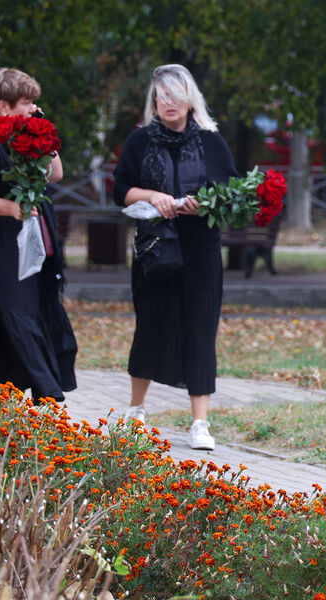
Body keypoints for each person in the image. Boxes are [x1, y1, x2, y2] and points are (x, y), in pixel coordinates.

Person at [113, 64, 238, 451]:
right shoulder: (140, 141)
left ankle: (199, 424)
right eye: (162, 96)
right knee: (150, 325)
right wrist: (153, 196)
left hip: (200, 248)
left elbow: (231, 193)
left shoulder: (211, 142)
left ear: (189, 99)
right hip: (155, 247)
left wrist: (204, 204)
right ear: (154, 101)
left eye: (175, 95)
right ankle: (135, 412)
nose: (169, 103)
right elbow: (121, 192)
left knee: (201, 330)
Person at [0, 67, 76, 403]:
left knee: (19, 314)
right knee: (12, 314)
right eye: (26, 102)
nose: (32, 108)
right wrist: (10, 209)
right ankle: (46, 394)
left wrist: (43, 134)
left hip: (19, 246)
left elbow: (56, 173)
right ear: (3, 107)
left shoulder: (20, 139)